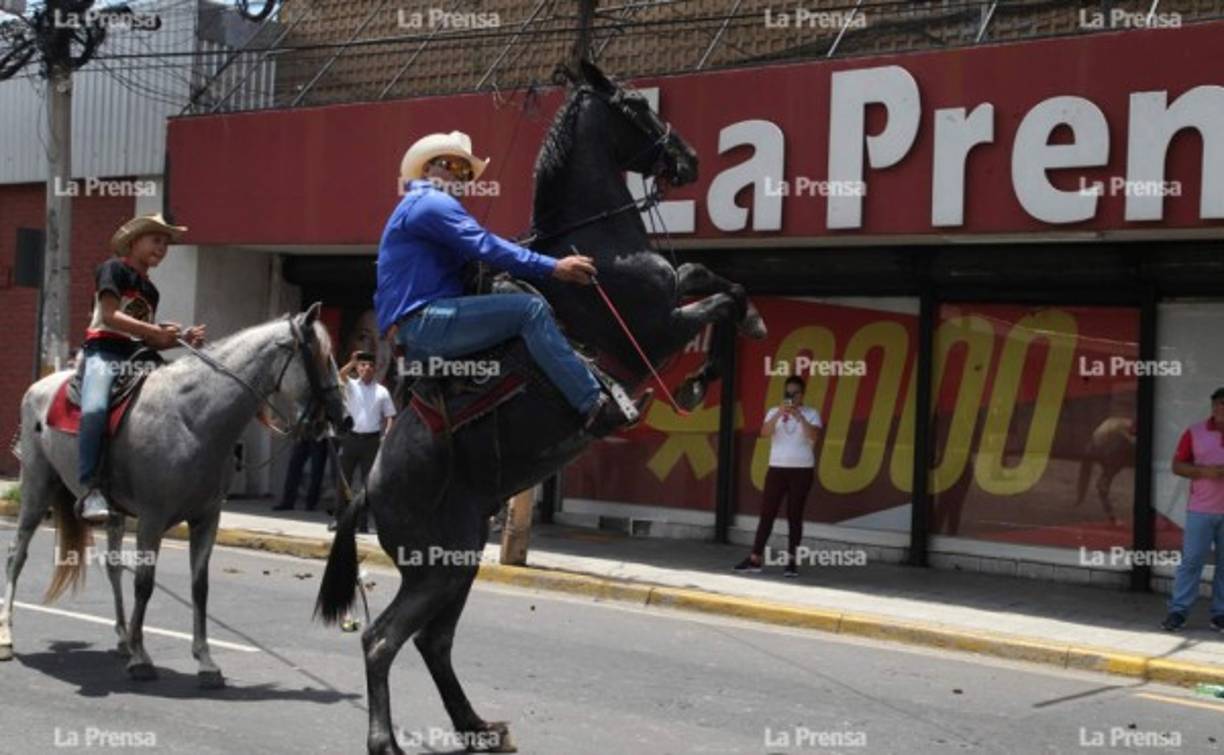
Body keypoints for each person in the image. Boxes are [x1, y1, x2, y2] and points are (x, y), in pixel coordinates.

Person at [374, 130, 640, 438]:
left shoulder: (422, 206)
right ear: (427, 170)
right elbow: (485, 246)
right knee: (529, 311)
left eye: (464, 171)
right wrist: (554, 267)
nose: (457, 175)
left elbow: (480, 253)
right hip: (424, 322)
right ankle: (593, 406)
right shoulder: (430, 202)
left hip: (416, 328)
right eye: (448, 164)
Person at [76, 213, 206, 524]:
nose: (162, 248)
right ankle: (91, 488)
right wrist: (153, 332)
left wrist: (179, 338)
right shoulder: (113, 269)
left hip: (137, 354)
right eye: (156, 240)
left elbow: (146, 336)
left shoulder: (152, 290)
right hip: (104, 351)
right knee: (94, 409)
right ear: (134, 242)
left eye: (166, 244)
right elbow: (109, 316)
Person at [734, 376, 823, 577]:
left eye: (794, 393)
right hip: (777, 469)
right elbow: (764, 433)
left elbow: (814, 436)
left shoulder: (811, 413)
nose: (790, 397)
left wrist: (799, 417)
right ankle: (755, 559)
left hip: (802, 470)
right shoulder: (774, 411)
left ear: (802, 395)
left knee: (795, 515)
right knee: (767, 513)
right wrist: (779, 415)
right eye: (787, 393)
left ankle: (792, 561)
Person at [1162, 388, 1224, 632]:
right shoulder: (1195, 432)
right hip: (1200, 509)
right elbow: (1177, 466)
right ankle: (1178, 611)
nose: (1222, 408)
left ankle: (1220, 614)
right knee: (1191, 562)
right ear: (1212, 406)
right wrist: (1203, 472)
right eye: (1219, 403)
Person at [332, 351, 396, 533]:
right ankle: (339, 519)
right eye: (362, 365)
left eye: (369, 365)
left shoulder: (382, 391)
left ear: (374, 369)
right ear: (358, 369)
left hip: (372, 441)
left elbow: (390, 415)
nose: (366, 368)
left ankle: (362, 523)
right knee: (344, 480)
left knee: (367, 485)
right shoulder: (351, 385)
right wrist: (352, 362)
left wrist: (387, 433)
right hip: (351, 438)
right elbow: (340, 375)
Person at [272, 436, 329, 513]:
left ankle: (311, 504)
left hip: (319, 437)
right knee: (294, 468)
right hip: (304, 436)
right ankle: (288, 502)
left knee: (316, 472)